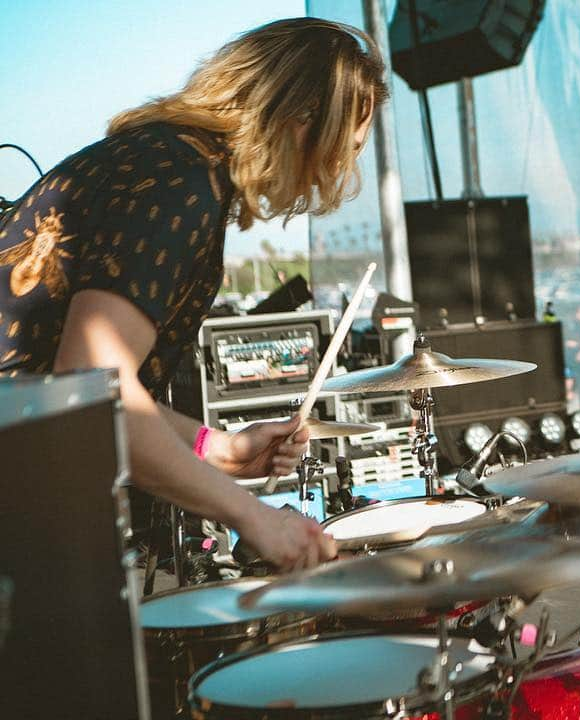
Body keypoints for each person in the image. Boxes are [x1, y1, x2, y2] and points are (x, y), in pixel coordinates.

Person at [0, 18, 390, 571]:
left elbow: (107, 391)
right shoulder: (181, 181)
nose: (333, 172)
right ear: (301, 121)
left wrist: (222, 450)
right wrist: (255, 518)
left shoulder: (166, 161)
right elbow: (88, 392)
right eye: (339, 148)